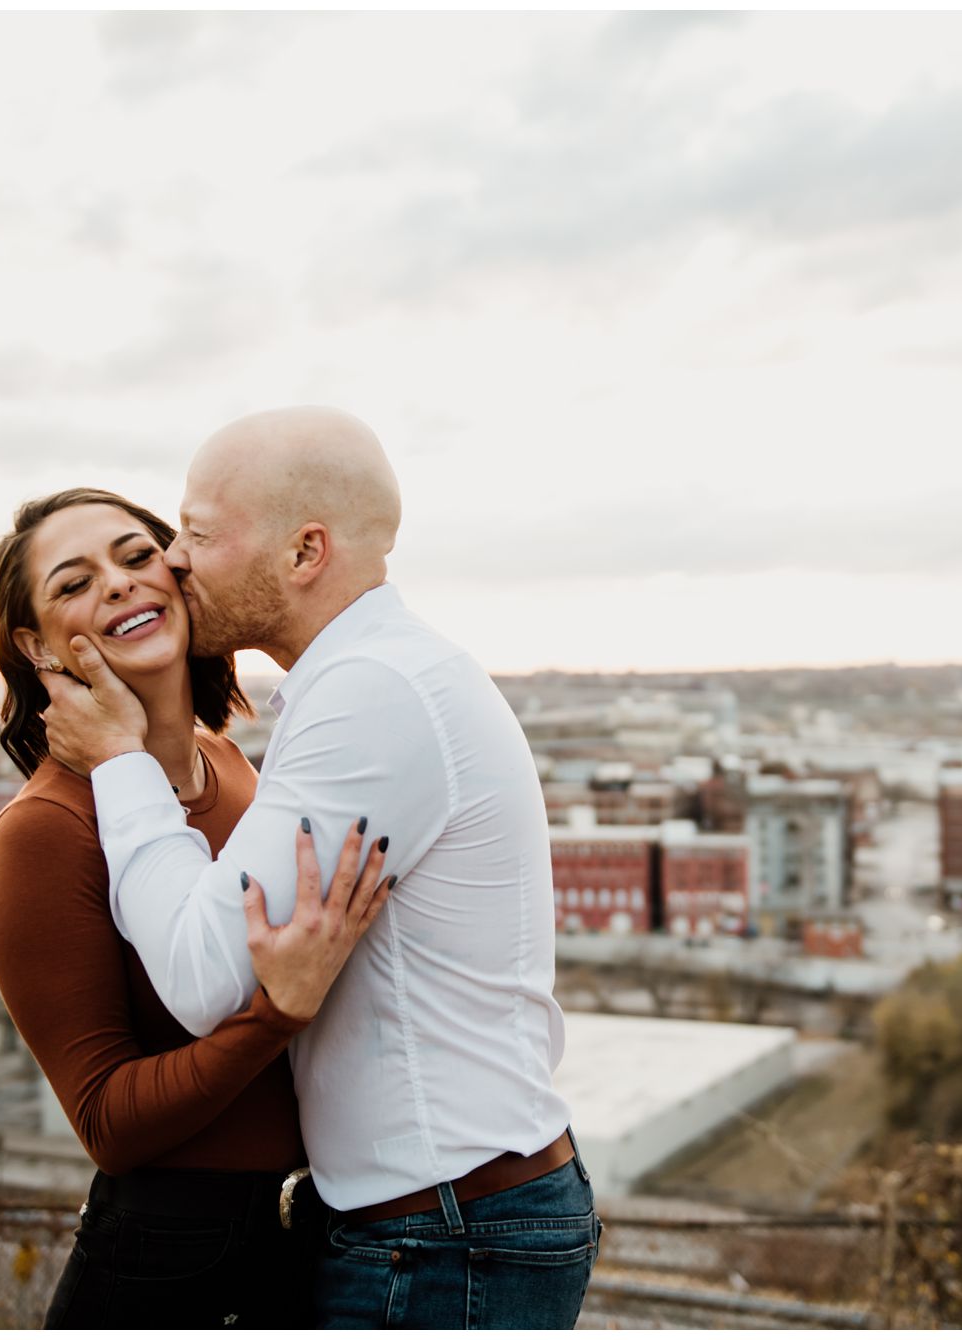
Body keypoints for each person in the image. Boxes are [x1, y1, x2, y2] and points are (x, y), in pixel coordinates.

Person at [41, 407, 598, 1330]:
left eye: (199, 533)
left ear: (305, 553)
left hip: (443, 1239)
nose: (173, 559)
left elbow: (201, 975)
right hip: (442, 1220)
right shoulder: (366, 681)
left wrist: (120, 767)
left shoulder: (371, 694)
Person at [0, 486, 393, 1329]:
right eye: (74, 583)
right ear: (35, 644)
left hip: (308, 1241)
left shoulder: (230, 764)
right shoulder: (46, 833)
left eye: (138, 558)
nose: (122, 584)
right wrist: (275, 1015)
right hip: (166, 1269)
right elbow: (107, 1122)